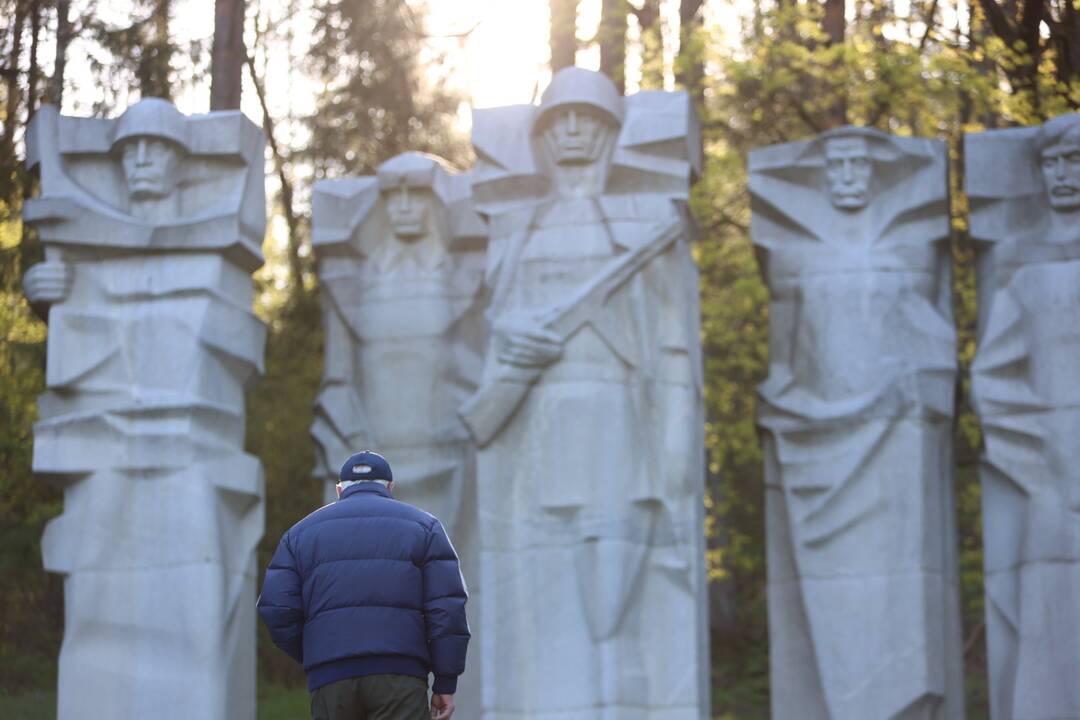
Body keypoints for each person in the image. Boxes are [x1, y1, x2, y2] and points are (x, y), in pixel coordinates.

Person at [258, 450, 469, 720]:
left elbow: (276, 607)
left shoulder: (299, 535)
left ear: (339, 490)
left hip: (331, 678)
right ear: (390, 487)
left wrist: (319, 651)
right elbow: (448, 608)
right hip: (400, 677)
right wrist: (444, 682)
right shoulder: (425, 527)